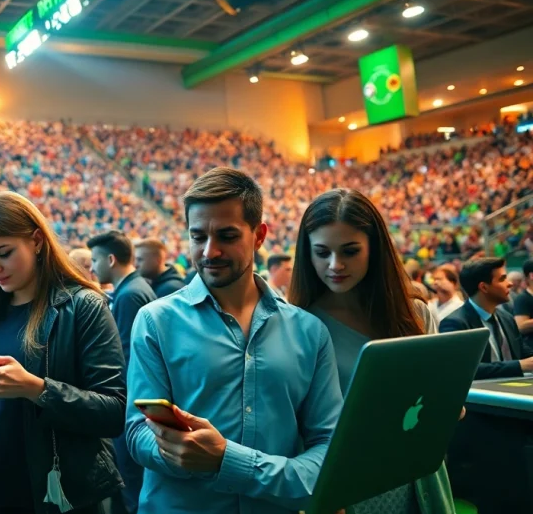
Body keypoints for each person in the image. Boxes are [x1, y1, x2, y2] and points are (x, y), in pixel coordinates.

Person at [125, 168, 343, 514]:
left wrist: (227, 461)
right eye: (198, 237)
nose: (210, 252)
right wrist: (178, 452)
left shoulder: (309, 331)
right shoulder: (155, 321)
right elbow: (137, 432)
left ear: (259, 235)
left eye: (227, 236)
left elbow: (328, 448)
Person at [0, 191, 125, 514]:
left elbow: (114, 411)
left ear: (36, 240)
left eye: (3, 253)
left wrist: (36, 389)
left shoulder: (83, 307)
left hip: (49, 496)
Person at [287, 189, 454, 514]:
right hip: (346, 486)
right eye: (322, 252)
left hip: (420, 479)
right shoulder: (298, 326)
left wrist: (445, 406)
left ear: (374, 249)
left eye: (350, 251)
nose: (335, 265)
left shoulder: (415, 314)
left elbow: (431, 402)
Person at [88, 230, 155, 514]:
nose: (91, 268)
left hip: (130, 405)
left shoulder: (129, 295)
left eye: (95, 260)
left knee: (130, 489)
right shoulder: (134, 289)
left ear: (111, 260)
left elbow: (125, 359)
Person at [440, 258, 533, 379]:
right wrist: (518, 365)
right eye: (502, 279)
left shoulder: (507, 318)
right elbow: (463, 368)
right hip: (480, 396)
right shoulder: (455, 324)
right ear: (484, 287)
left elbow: (523, 352)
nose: (509, 283)